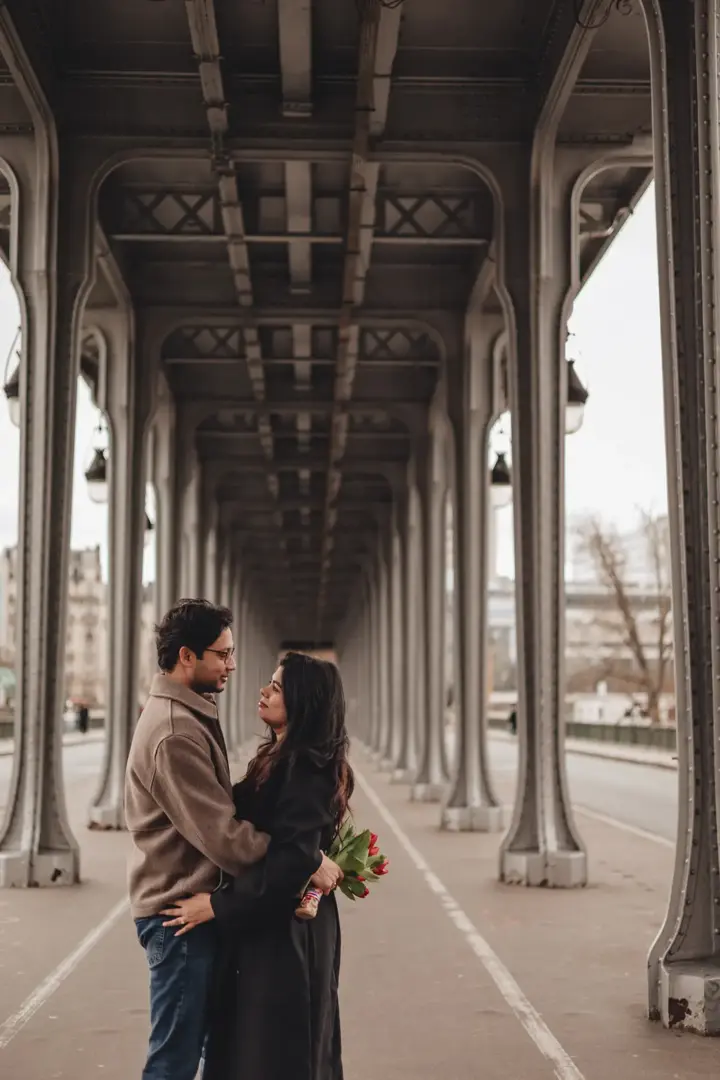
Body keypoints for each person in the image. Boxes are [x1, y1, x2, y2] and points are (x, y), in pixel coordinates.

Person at [125, 602, 341, 1080]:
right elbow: (225, 837)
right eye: (222, 654)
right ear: (187, 656)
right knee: (174, 1060)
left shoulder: (188, 716)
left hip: (194, 909)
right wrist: (306, 859)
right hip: (179, 914)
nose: (233, 664)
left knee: (203, 1051)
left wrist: (303, 857)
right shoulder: (175, 732)